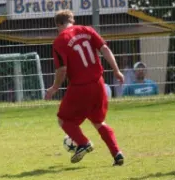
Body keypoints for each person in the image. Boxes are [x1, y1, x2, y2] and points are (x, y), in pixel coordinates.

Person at [45, 10, 125, 166]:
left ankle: (83, 143)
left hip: (80, 87)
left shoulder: (60, 41)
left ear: (59, 24)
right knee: (99, 121)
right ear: (72, 20)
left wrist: (54, 88)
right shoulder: (87, 30)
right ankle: (117, 153)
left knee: (64, 120)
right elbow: (105, 49)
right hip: (98, 83)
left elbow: (62, 69)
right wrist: (116, 70)